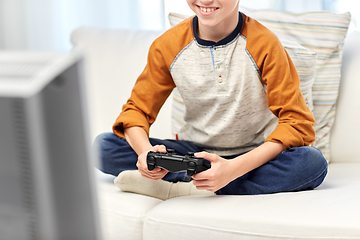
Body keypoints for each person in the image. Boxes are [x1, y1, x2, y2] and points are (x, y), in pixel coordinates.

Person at [95, 0, 328, 200]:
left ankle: (187, 187)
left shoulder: (265, 44)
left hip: (253, 154)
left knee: (312, 163)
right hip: (194, 153)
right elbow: (136, 111)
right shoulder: (167, 46)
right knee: (104, 147)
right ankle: (206, 180)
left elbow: (297, 123)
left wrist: (232, 169)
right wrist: (146, 154)